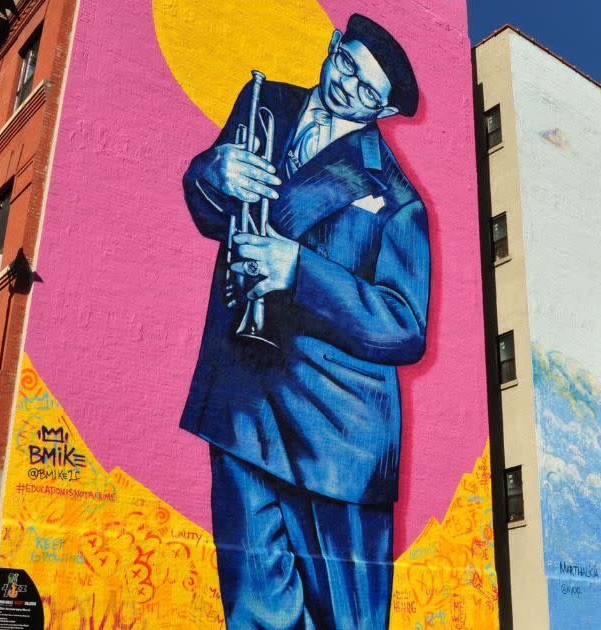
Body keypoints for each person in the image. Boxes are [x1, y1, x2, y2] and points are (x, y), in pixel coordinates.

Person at [179, 14, 427, 629]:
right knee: (253, 612)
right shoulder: (264, 103)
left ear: (387, 111)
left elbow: (405, 324)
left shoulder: (397, 198)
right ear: (333, 46)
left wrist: (300, 271)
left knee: (349, 619)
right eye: (346, 65)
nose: (348, 89)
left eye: (369, 92)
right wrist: (212, 173)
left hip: (338, 439)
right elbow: (213, 211)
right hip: (241, 405)